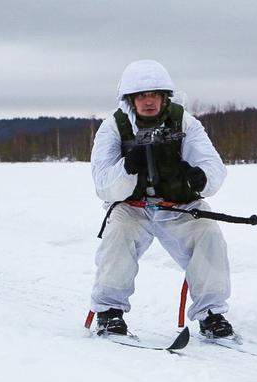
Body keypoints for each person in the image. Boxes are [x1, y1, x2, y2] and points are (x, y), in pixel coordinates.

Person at [90, 60, 234, 338]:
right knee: (118, 233)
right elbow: (103, 184)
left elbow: (213, 167)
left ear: (164, 96)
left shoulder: (185, 122)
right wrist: (127, 168)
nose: (148, 101)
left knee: (208, 233)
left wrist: (200, 178)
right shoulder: (113, 128)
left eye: (154, 94)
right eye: (141, 95)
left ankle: (212, 315)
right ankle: (109, 313)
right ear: (131, 99)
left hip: (177, 207)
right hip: (132, 207)